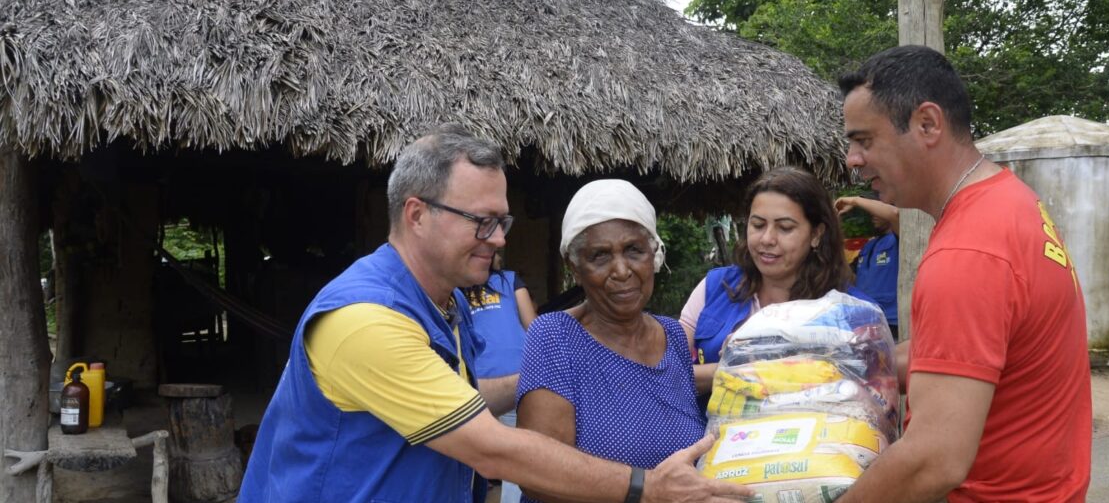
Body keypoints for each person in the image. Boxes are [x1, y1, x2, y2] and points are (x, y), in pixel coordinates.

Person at [239, 124, 752, 503]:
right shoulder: (366, 320)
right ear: (417, 215)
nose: (502, 238)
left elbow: (448, 399)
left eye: (502, 220)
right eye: (483, 222)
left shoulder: (445, 304)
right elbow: (493, 449)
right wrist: (650, 487)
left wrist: (576, 360)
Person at [836, 45, 1090, 502]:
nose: (853, 159)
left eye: (864, 140)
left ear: (928, 124)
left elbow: (933, 460)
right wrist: (849, 363)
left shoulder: (968, 251)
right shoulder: (1009, 200)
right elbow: (967, 352)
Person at [516, 180, 707, 503]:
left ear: (654, 255)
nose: (621, 270)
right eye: (600, 256)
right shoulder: (555, 336)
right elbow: (537, 476)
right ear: (574, 267)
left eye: (634, 250)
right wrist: (648, 489)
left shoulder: (672, 335)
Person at [679, 166, 878, 396]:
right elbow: (668, 374)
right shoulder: (715, 287)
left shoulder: (852, 312)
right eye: (758, 225)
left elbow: (868, 397)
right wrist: (734, 369)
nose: (767, 239)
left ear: (816, 235)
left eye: (785, 228)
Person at [464, 252, 536, 503]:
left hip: (518, 385)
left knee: (518, 465)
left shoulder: (510, 280)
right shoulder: (454, 288)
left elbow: (534, 329)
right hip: (475, 391)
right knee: (470, 466)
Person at [835, 193, 900, 340]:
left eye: (876, 211)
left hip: (891, 322)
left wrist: (855, 200)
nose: (873, 215)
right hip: (863, 322)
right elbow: (850, 279)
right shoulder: (868, 246)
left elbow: (895, 215)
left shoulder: (898, 240)